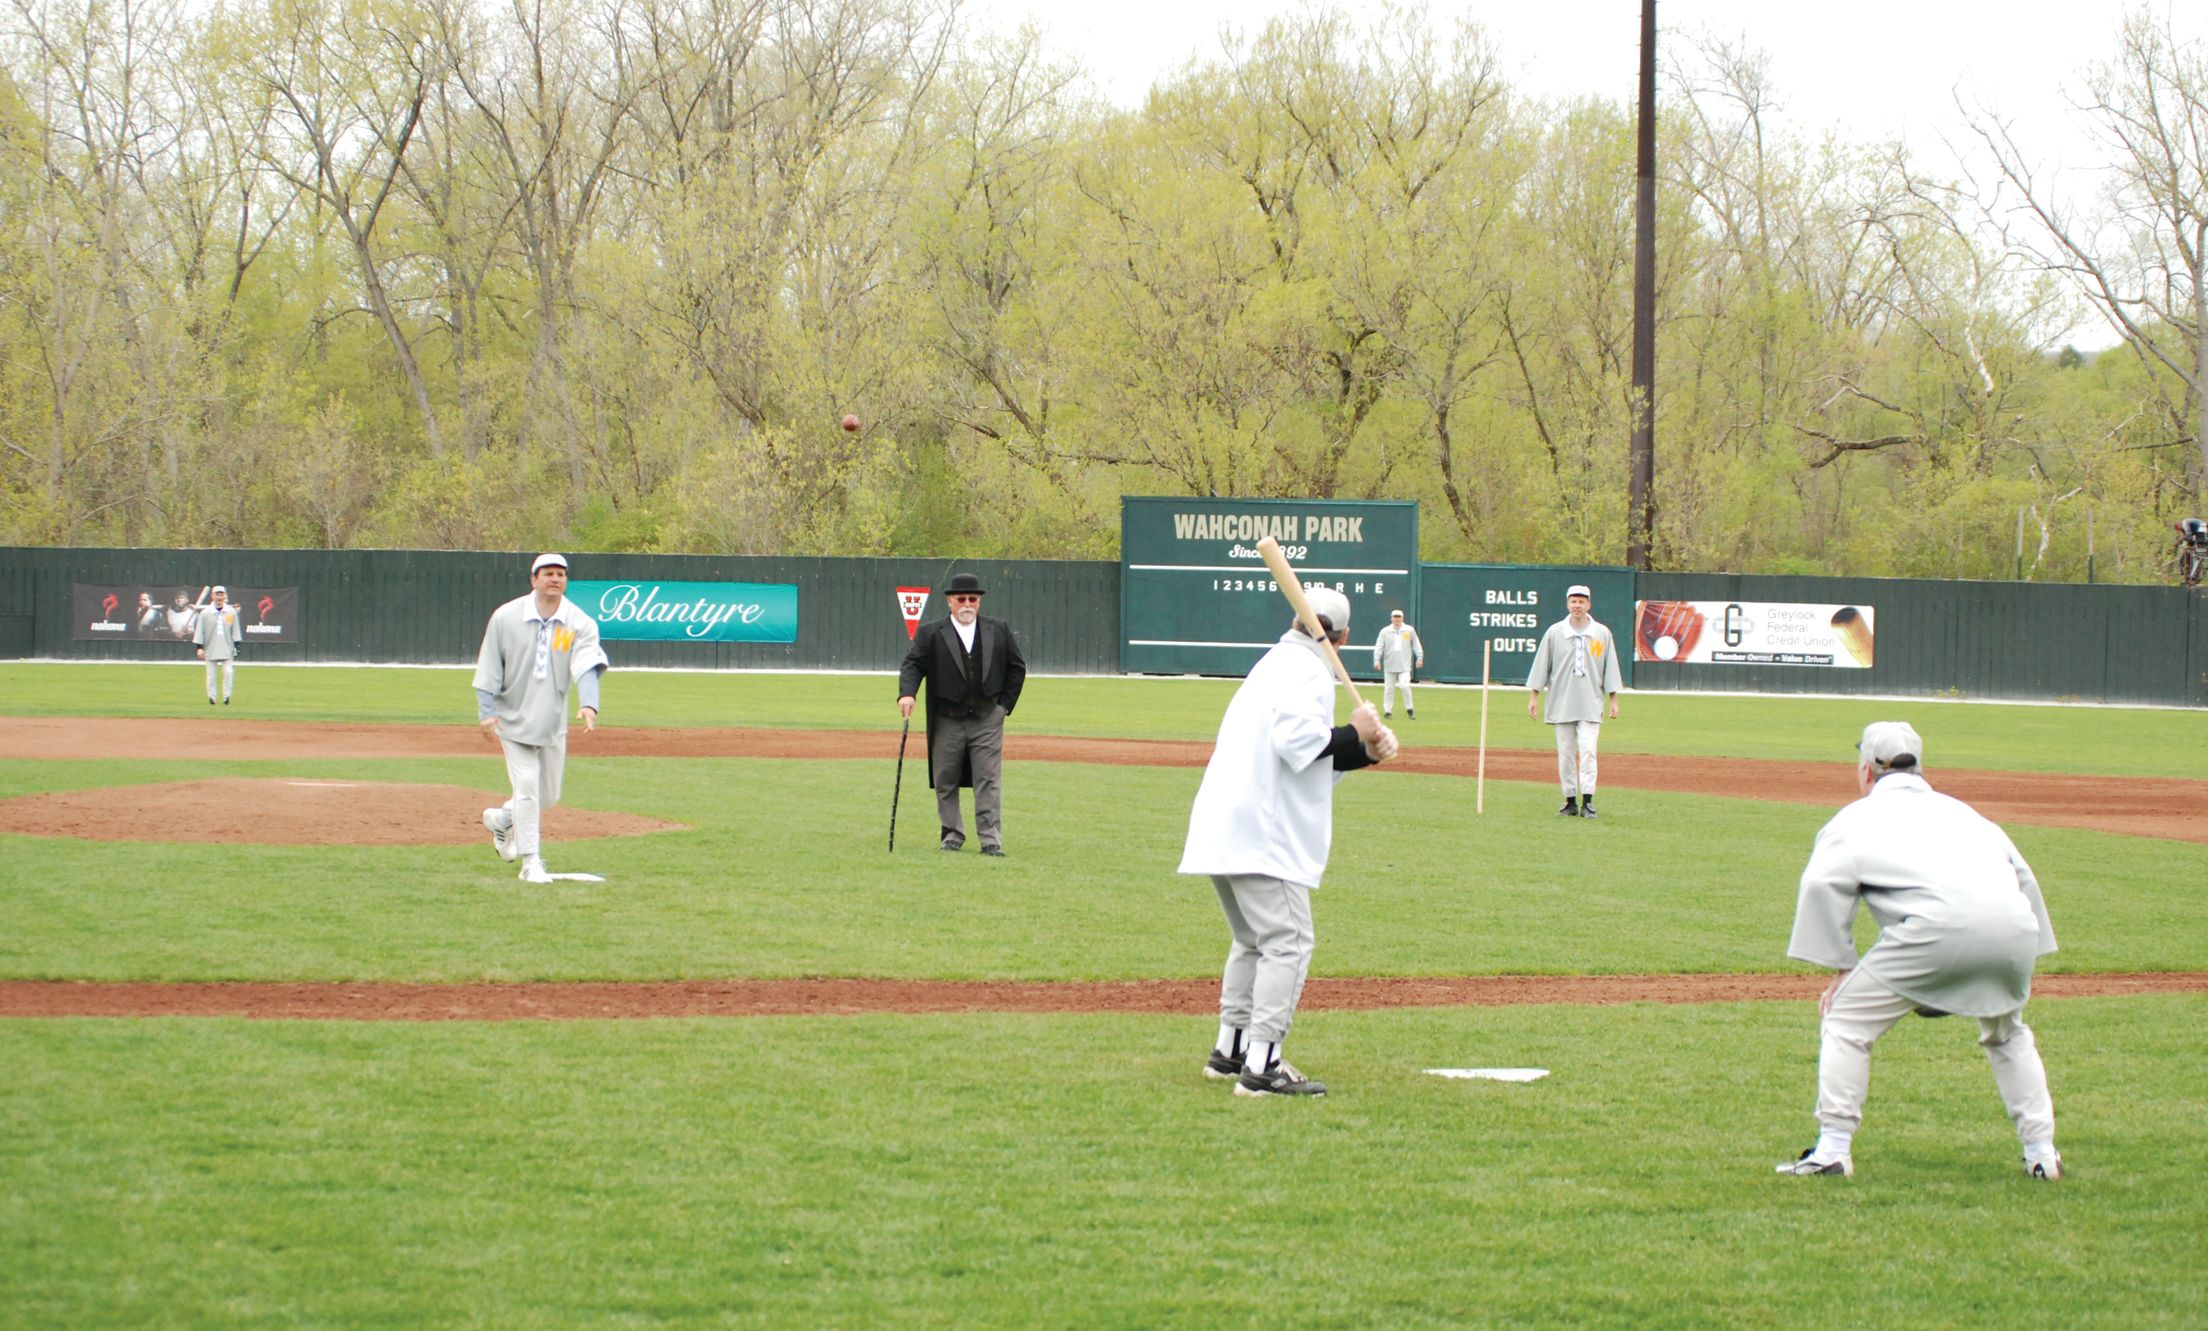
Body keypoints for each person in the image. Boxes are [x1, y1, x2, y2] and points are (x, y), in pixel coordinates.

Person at [1777, 721, 2061, 1181]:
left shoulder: (1855, 819)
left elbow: (1820, 884)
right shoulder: (1966, 814)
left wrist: (1841, 967)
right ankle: (2042, 1155)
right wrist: (2025, 953)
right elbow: (2023, 876)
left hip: (1934, 933)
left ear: (1867, 769)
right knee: (2008, 1034)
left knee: (1846, 1020)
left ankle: (1832, 1149)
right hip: (2012, 930)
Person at [1180, 587, 1398, 1098]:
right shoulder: (1306, 671)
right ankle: (1263, 1067)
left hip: (1227, 824)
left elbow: (1305, 760)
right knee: (1289, 942)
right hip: (1262, 832)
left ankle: (1231, 1052)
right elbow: (1299, 743)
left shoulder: (1275, 663)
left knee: (1254, 940)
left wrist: (1364, 751)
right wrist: (1354, 729)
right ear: (1343, 638)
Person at [472, 553, 610, 885]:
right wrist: (486, 710)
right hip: (511, 719)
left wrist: (589, 704)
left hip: (551, 722)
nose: (555, 579)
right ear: (534, 579)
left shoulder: (579, 622)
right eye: (547, 573)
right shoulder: (506, 617)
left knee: (548, 796)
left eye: (560, 574)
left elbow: (586, 663)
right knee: (528, 788)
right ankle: (531, 862)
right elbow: (490, 662)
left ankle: (503, 817)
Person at [897, 572, 1026, 855]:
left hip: (987, 718)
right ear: (950, 602)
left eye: (973, 599)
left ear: (979, 602)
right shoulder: (930, 633)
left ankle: (990, 839)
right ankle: (952, 834)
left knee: (988, 779)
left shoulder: (998, 630)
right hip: (946, 719)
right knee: (946, 778)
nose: (967, 604)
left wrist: (1003, 706)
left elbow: (1017, 668)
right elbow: (912, 665)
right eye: (961, 599)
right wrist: (907, 693)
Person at [1525, 584, 1622, 817]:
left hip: (1591, 702)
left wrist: (1614, 700)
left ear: (1588, 604)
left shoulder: (1601, 633)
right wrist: (1534, 697)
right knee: (1566, 753)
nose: (1577, 605)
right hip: (1562, 702)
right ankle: (1569, 800)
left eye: (1581, 601)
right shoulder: (1555, 632)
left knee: (1588, 751)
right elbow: (1541, 665)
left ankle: (1588, 800)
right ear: (1568, 604)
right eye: (1573, 601)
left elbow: (1610, 668)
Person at [192, 585, 244, 705]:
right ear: (212, 596)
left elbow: (235, 630)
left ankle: (226, 697)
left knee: (228, 672)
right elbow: (200, 631)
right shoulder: (205, 613)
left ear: (225, 596)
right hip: (210, 648)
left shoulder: (231, 612)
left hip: (227, 648)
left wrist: (237, 646)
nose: (219, 597)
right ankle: (212, 697)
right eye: (217, 594)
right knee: (211, 675)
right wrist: (199, 648)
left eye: (222, 594)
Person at [1371, 609, 1425, 719]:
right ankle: (1388, 711)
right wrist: (1376, 660)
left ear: (1402, 618)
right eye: (1395, 617)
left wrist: (1419, 657)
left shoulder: (1409, 630)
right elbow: (1379, 646)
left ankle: (1410, 710)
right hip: (1389, 665)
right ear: (1391, 618)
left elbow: (1416, 644)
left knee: (1405, 686)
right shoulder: (1385, 631)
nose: (1397, 619)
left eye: (1399, 617)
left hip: (1404, 666)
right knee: (1389, 689)